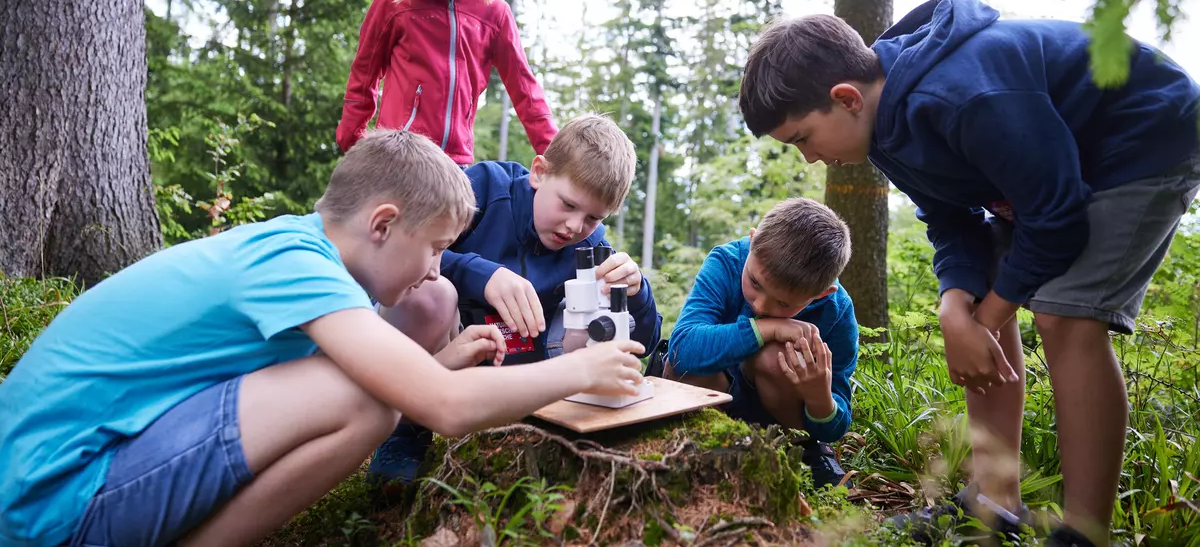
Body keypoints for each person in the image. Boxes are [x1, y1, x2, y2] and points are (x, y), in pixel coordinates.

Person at [0, 130, 645, 547]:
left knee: (368, 389)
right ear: (384, 224)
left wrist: (445, 360)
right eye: (436, 249)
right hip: (53, 502)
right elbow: (441, 409)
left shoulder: (300, 252)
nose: (433, 270)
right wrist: (582, 371)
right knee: (365, 403)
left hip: (64, 474)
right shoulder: (295, 265)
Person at [737, 0, 1200, 546]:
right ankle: (993, 504)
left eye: (802, 139)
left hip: (1141, 141)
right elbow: (950, 221)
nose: (809, 158)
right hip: (1055, 174)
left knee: (1063, 317)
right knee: (980, 299)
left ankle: (1085, 531)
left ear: (846, 98)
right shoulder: (884, 132)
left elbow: (1056, 214)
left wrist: (985, 317)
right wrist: (955, 300)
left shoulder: (962, 94)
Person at [367, 114, 662, 482]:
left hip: (524, 382)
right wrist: (480, 273)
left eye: (592, 218)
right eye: (568, 205)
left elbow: (644, 343)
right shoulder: (484, 191)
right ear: (539, 172)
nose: (574, 227)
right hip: (445, 350)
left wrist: (636, 292)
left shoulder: (591, 247)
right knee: (430, 291)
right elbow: (403, 245)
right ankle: (407, 431)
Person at [336, 0, 556, 164]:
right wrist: (352, 142)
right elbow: (364, 75)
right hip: (396, 156)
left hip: (455, 165)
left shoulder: (494, 16)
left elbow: (527, 94)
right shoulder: (395, 1)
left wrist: (555, 160)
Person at [660, 197, 858, 489]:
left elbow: (836, 426)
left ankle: (796, 456)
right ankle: (702, 448)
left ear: (821, 294)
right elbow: (682, 350)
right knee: (689, 364)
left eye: (783, 302)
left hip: (780, 419)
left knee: (777, 356)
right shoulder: (727, 262)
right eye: (755, 283)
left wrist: (820, 399)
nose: (761, 305)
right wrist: (769, 327)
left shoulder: (837, 311)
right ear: (753, 241)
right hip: (714, 397)